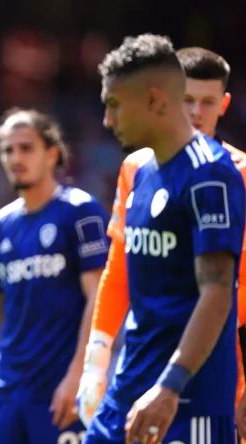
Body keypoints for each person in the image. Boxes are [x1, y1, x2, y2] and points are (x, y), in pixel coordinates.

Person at [82, 34, 245, 444]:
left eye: (115, 105)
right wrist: (96, 361)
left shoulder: (218, 174)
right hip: (133, 381)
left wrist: (175, 385)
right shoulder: (138, 170)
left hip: (193, 391)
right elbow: (120, 271)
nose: (107, 120)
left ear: (155, 100)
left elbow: (221, 291)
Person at [0, 108, 110, 444]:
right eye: (7, 149)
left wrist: (79, 374)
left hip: (60, 387)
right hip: (6, 392)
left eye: (26, 147)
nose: (15, 157)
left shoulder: (80, 211)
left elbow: (99, 295)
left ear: (52, 154)